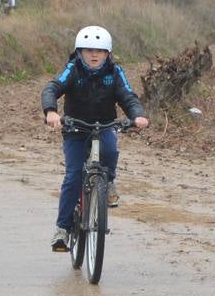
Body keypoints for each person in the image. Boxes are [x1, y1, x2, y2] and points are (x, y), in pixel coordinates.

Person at [40, 25, 150, 250]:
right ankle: (62, 229)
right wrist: (51, 111)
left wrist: (137, 116)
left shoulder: (114, 72)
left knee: (110, 151)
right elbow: (52, 88)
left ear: (108, 53)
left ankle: (107, 183)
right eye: (88, 50)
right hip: (76, 128)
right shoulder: (73, 69)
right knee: (73, 176)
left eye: (99, 51)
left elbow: (128, 96)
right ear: (79, 52)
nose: (94, 55)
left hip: (105, 125)